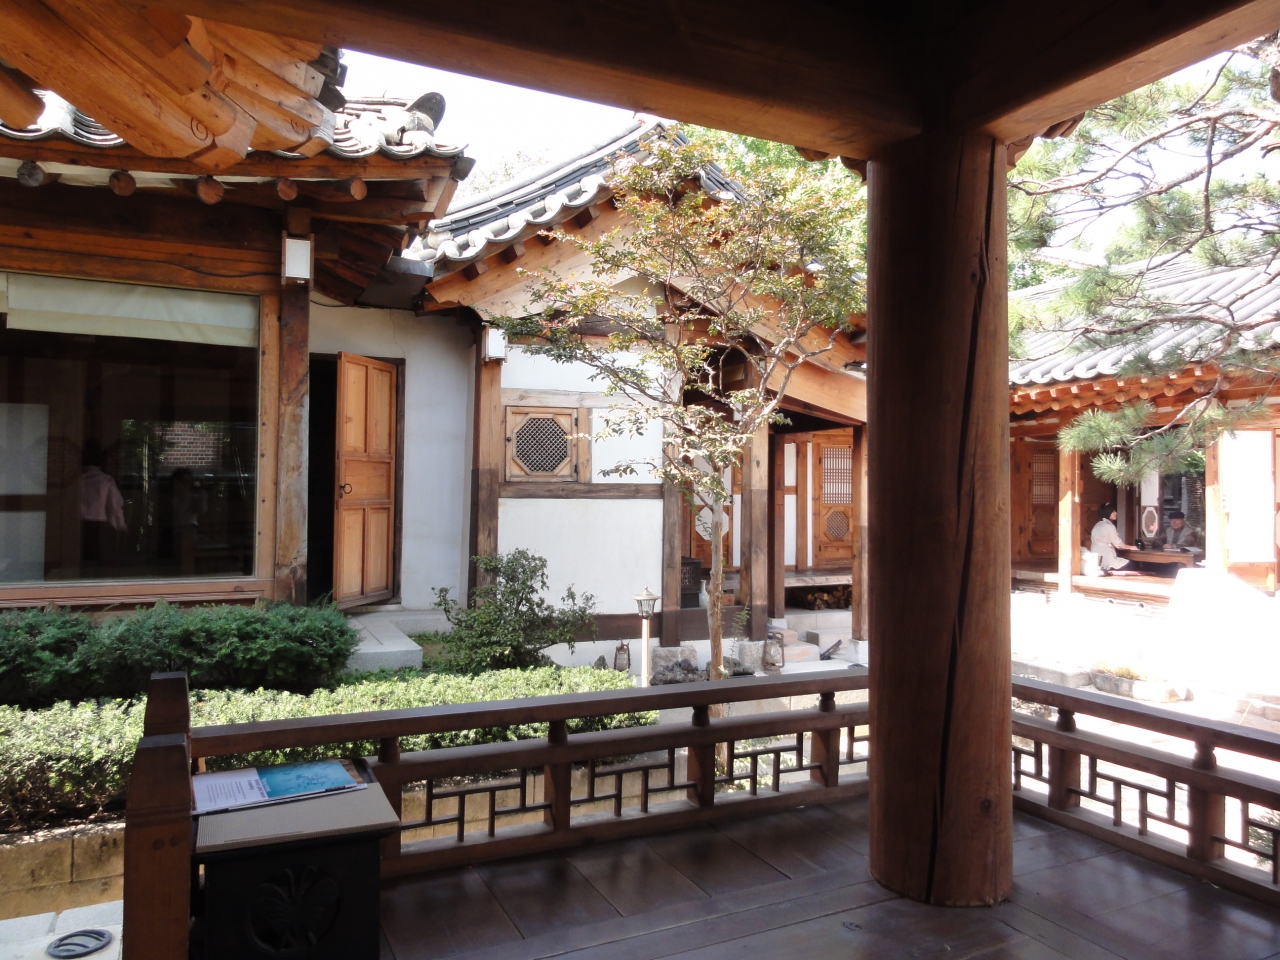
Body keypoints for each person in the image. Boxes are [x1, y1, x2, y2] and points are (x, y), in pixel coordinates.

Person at [1089, 502, 1135, 575]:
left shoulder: (1097, 525)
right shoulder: (1109, 526)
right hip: (1107, 560)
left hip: (1097, 560)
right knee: (1131, 565)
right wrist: (1132, 547)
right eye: (1113, 511)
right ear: (1108, 513)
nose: (1116, 513)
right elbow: (1119, 544)